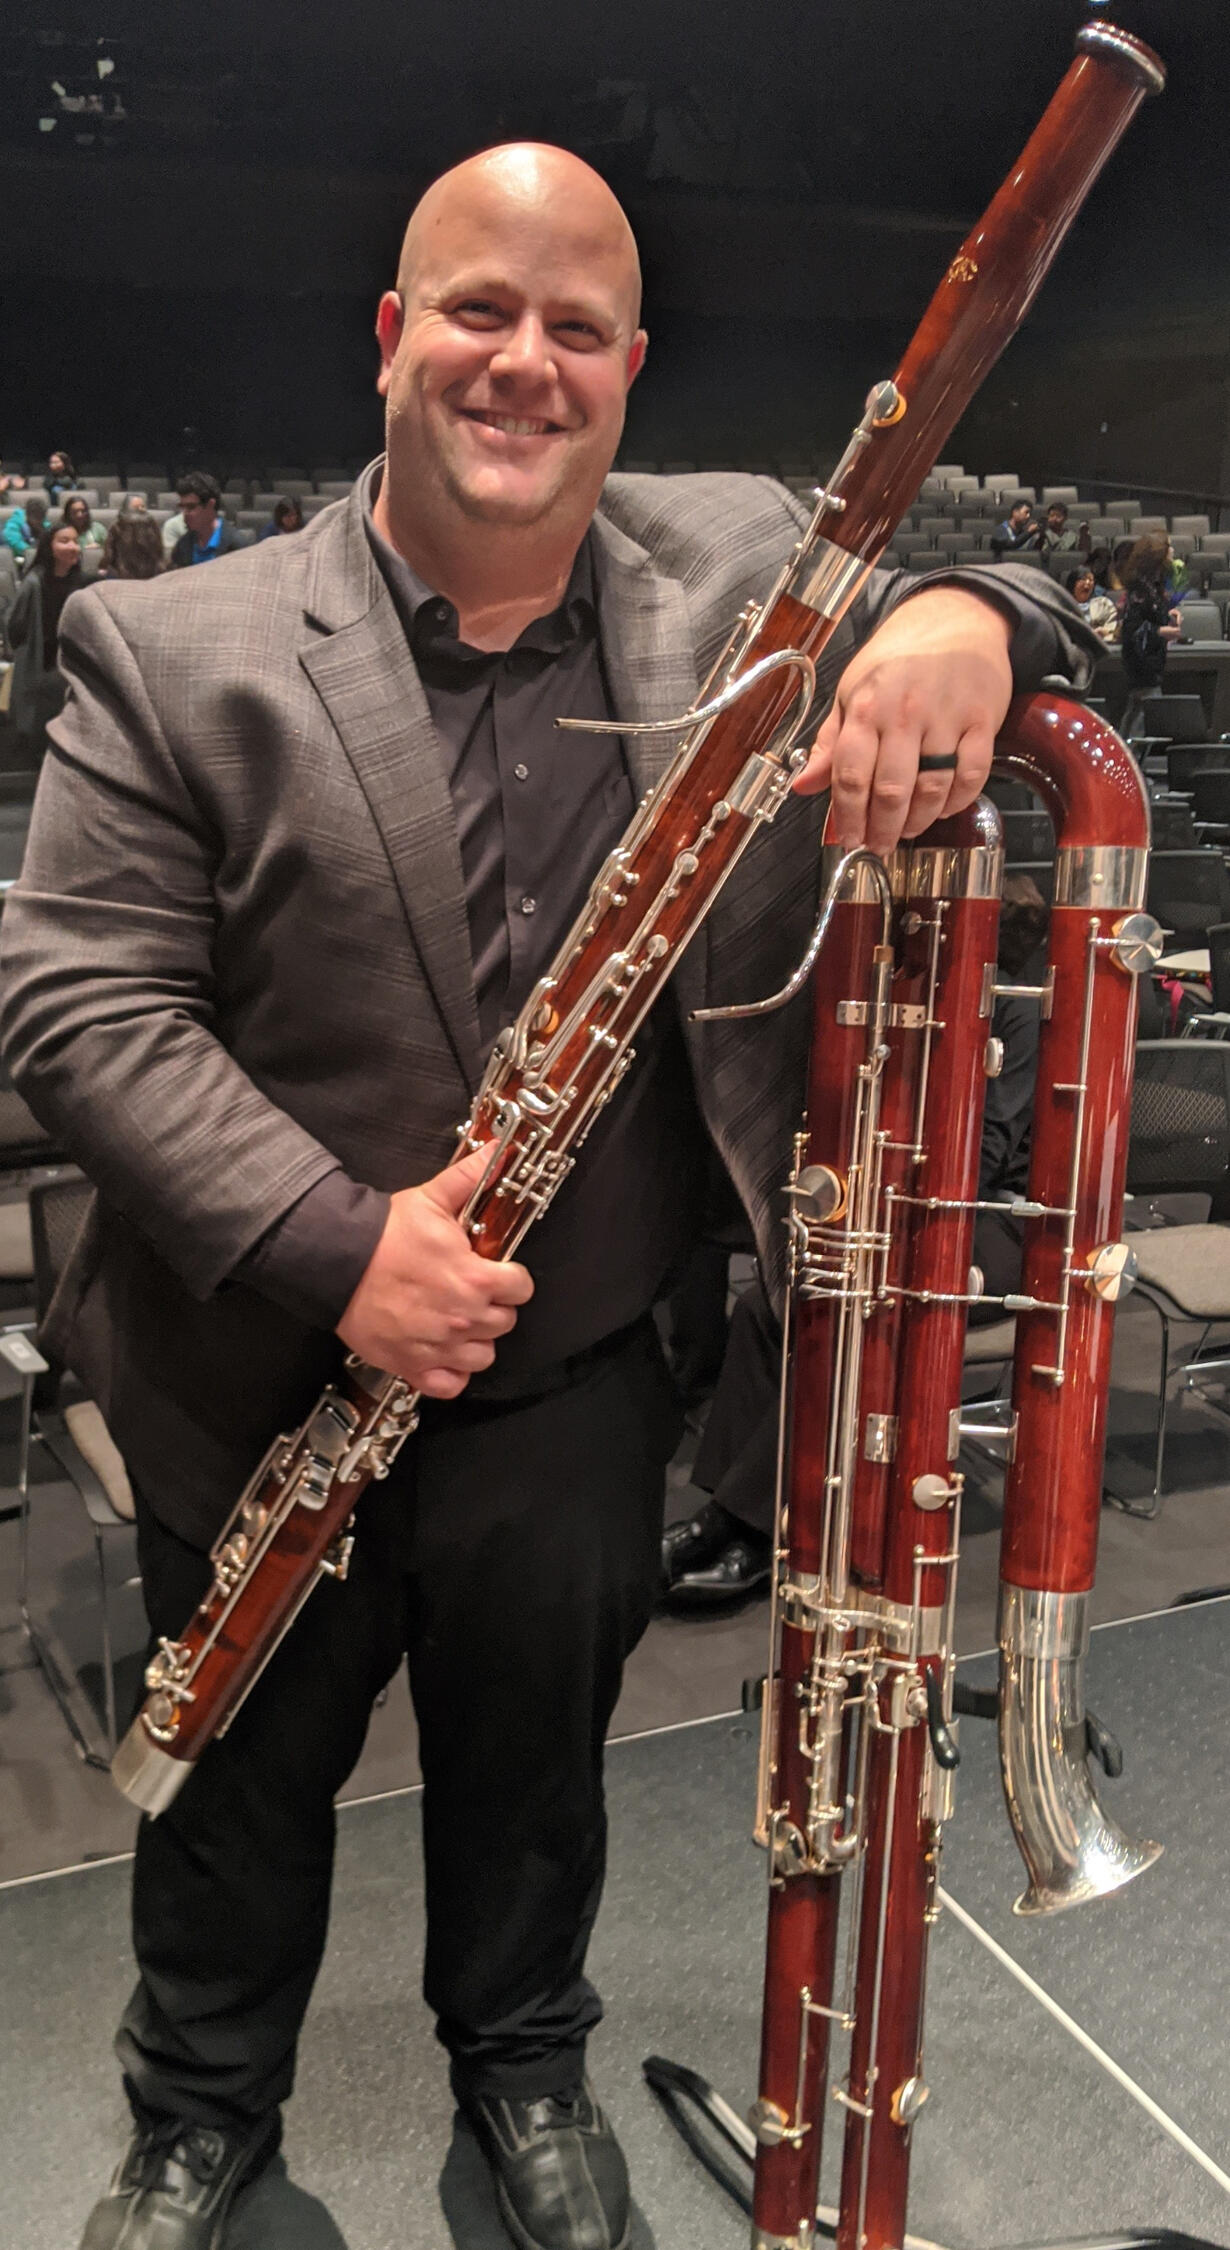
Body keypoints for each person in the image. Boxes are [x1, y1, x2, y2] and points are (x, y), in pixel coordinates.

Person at [0, 144, 1099, 2250]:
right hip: (259, 1374)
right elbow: (79, 1004)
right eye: (479, 314)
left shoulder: (746, 561)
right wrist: (347, 1249)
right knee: (232, 1798)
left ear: (630, 365)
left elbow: (998, 607)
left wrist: (971, 619)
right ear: (393, 336)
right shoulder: (168, 640)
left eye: (576, 329)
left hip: (585, 1375)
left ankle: (523, 2070)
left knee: (539, 1781)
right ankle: (200, 2112)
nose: (527, 363)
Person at [3, 522, 83, 757]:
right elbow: (15, 624)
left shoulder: (80, 581)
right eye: (64, 541)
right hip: (41, 663)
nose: (73, 546)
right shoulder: (34, 582)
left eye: (75, 541)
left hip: (70, 662)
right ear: (50, 547)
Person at [1119, 529, 1181, 739]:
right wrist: (1161, 631)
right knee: (1141, 725)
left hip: (1151, 665)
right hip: (1142, 665)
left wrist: (1168, 615)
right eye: (1169, 546)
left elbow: (1150, 615)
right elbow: (1131, 630)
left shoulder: (1152, 585)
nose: (1172, 551)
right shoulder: (1140, 589)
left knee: (1137, 718)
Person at [169, 472, 246, 566]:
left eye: (191, 507)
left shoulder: (238, 545)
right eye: (182, 507)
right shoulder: (183, 545)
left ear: (210, 505)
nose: (185, 514)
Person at [99, 514, 167, 580]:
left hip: (123, 576)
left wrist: (103, 566)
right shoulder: (151, 526)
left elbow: (109, 554)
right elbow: (159, 552)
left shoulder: (117, 526)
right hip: (150, 576)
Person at [1064, 562, 1118, 643]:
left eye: (1091, 580)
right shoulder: (1063, 604)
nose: (1088, 582)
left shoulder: (1103, 603)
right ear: (1073, 583)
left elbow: (1112, 628)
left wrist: (1105, 632)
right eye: (1083, 579)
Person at [1, 491, 47, 560]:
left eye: (40, 518)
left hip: (33, 553)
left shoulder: (45, 525)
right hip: (16, 553)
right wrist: (30, 551)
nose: (38, 521)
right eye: (36, 517)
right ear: (27, 515)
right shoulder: (16, 520)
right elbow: (14, 541)